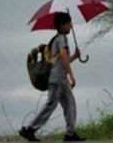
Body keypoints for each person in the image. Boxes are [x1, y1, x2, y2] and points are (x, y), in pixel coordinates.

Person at [20, 12, 85, 142]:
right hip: (56, 80)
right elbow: (63, 55)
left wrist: (75, 57)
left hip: (61, 80)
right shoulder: (61, 38)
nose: (71, 27)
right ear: (62, 25)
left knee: (70, 103)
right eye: (68, 24)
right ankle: (29, 129)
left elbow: (62, 61)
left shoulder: (57, 39)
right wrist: (72, 75)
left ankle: (70, 134)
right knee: (50, 105)